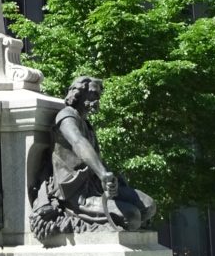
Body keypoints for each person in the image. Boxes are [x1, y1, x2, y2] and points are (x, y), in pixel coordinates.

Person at [30, 76, 155, 239]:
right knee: (132, 216)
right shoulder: (66, 116)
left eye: (98, 96)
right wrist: (102, 173)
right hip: (76, 194)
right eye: (94, 94)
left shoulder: (87, 124)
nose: (97, 100)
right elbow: (78, 142)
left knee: (149, 206)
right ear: (79, 94)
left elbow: (95, 157)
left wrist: (112, 178)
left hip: (95, 186)